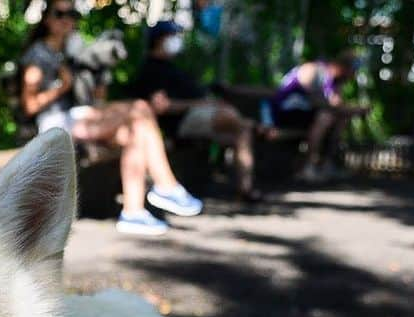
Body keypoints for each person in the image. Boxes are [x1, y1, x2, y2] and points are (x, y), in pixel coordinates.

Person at [19, 2, 203, 238]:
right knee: (139, 107)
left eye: (72, 14)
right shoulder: (39, 53)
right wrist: (62, 86)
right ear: (47, 19)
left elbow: (96, 101)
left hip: (79, 116)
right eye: (60, 14)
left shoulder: (72, 51)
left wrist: (99, 75)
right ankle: (166, 186)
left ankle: (133, 213)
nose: (67, 19)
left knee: (136, 131)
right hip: (55, 123)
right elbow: (30, 105)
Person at [132, 20, 262, 202]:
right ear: (160, 40)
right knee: (234, 120)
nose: (177, 40)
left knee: (242, 130)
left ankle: (245, 188)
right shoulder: (152, 69)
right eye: (172, 36)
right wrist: (200, 104)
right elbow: (161, 107)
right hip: (181, 122)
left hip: (198, 116)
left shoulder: (174, 67)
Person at [271, 51, 366, 181]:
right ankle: (308, 166)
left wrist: (346, 109)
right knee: (326, 117)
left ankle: (326, 164)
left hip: (307, 115)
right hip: (285, 112)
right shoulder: (313, 69)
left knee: (341, 118)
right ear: (343, 67)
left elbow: (336, 104)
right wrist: (343, 108)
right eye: (353, 71)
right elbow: (316, 101)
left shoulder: (335, 82)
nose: (353, 76)